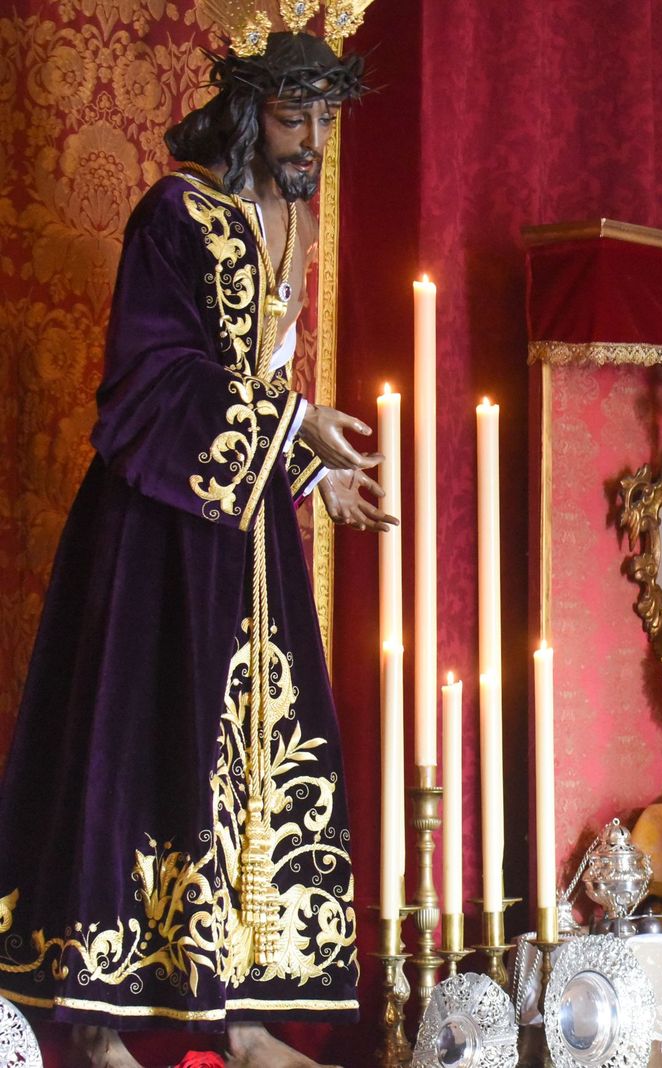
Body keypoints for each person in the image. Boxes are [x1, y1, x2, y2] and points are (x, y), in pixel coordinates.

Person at [0, 18, 391, 1068]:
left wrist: (318, 470)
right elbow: (152, 376)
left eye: (323, 118)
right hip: (160, 520)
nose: (310, 138)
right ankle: (101, 1023)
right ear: (246, 110)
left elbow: (258, 384)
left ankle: (250, 1017)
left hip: (249, 526)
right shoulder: (177, 212)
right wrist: (293, 426)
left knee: (263, 749)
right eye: (291, 115)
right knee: (144, 742)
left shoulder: (292, 223)